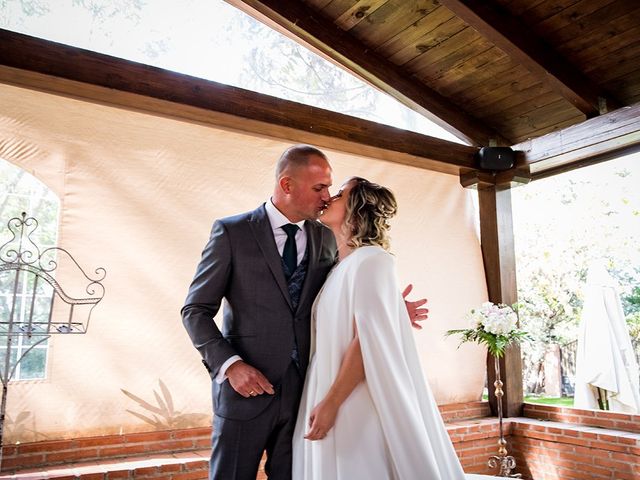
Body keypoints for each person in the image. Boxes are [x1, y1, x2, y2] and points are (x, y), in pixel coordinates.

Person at [181, 145, 427, 480]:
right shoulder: (232, 232)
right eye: (319, 188)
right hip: (244, 395)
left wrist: (390, 311)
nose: (327, 196)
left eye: (330, 188)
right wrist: (231, 365)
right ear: (287, 185)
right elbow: (195, 310)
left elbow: (344, 297)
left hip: (305, 396)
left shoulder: (328, 236)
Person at [292, 177, 466, 479]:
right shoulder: (340, 267)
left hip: (351, 399)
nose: (330, 197)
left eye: (340, 194)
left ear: (357, 209)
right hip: (327, 384)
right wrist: (394, 313)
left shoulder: (373, 260)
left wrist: (332, 403)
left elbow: (366, 341)